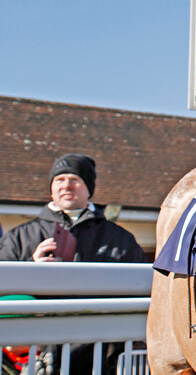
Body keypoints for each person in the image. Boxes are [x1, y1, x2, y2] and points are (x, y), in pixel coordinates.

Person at [0, 153, 146, 374]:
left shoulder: (120, 239)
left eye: (75, 179)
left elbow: (141, 295)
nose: (67, 185)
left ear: (89, 189)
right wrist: (30, 267)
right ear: (51, 188)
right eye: (59, 179)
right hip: (32, 361)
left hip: (98, 360)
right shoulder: (19, 237)